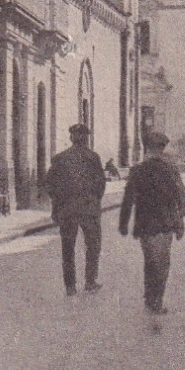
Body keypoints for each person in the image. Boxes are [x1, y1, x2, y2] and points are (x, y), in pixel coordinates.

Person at [119, 130, 185, 315]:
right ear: (162, 149)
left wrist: (124, 223)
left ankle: (151, 298)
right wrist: (180, 217)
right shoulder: (170, 169)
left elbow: (128, 199)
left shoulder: (138, 170)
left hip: (145, 225)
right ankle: (156, 299)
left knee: (150, 261)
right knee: (163, 263)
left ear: (148, 149)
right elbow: (181, 196)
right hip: (165, 224)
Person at [45, 123, 106, 296]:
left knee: (68, 248)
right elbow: (101, 184)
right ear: (86, 138)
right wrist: (94, 201)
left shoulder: (60, 158)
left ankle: (70, 286)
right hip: (89, 210)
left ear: (71, 138)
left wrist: (58, 204)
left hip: (67, 210)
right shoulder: (93, 158)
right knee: (93, 246)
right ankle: (90, 281)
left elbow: (50, 184)